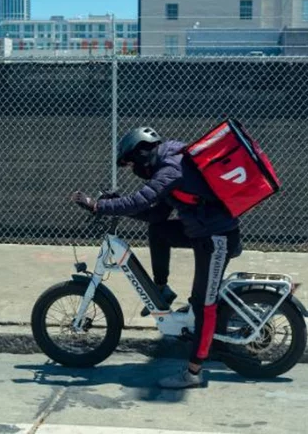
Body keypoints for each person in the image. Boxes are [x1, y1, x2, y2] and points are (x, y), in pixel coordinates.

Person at [70, 126, 242, 389]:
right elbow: (155, 215)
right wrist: (119, 208)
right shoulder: (169, 162)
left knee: (202, 303)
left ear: (141, 152)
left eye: (130, 163)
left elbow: (141, 200)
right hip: (201, 230)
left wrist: (99, 206)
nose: (133, 170)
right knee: (159, 231)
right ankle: (162, 288)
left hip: (216, 238)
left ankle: (194, 373)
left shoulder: (171, 168)